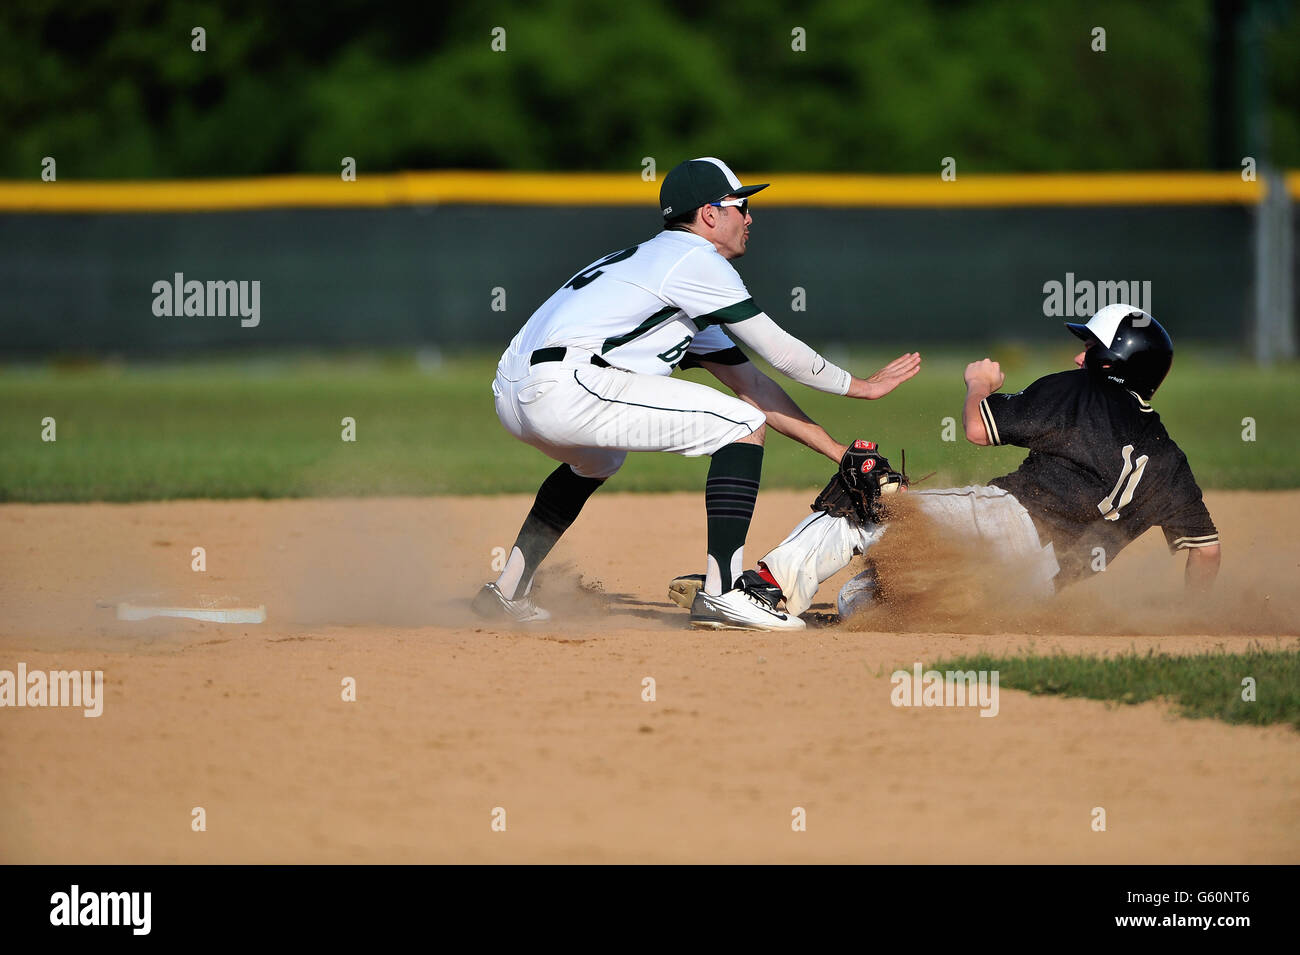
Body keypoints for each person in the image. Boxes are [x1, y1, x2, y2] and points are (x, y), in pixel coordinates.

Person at [472, 157, 921, 630]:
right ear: (709, 214)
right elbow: (782, 353)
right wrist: (863, 388)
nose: (749, 217)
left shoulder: (663, 272)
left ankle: (508, 590)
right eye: (740, 205)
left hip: (516, 389)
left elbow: (753, 385)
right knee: (741, 426)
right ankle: (724, 593)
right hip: (567, 385)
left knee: (602, 459)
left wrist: (837, 452)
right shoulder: (695, 261)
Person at [668, 304, 1221, 626]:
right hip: (1033, 590)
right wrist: (1191, 620)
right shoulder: (1170, 460)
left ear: (1109, 359)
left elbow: (979, 429)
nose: (1079, 355)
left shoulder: (1082, 390)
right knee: (867, 600)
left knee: (865, 489)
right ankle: (845, 610)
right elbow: (1206, 551)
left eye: (1089, 346)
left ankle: (762, 591)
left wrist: (978, 384)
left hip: (1009, 520)